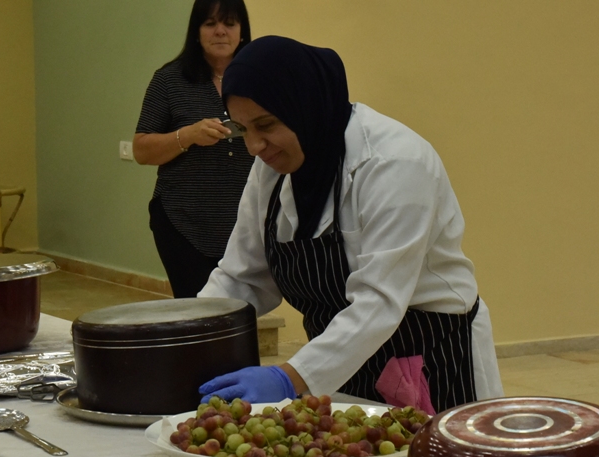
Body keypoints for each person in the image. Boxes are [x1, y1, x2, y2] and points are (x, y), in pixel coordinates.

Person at [197, 36, 503, 413]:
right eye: (244, 129)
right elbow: (242, 277)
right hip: (338, 360)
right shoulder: (272, 170)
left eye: (267, 124)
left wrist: (287, 378)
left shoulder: (395, 163)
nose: (255, 147)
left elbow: (380, 299)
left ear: (304, 106)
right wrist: (187, 334)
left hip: (430, 359)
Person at [133, 0, 255, 298]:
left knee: (241, 312)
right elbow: (141, 150)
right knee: (196, 311)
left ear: (242, 31)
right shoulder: (169, 80)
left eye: (229, 23)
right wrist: (187, 135)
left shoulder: (259, 79)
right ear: (196, 31)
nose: (220, 32)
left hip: (246, 222)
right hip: (182, 221)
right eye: (210, 24)